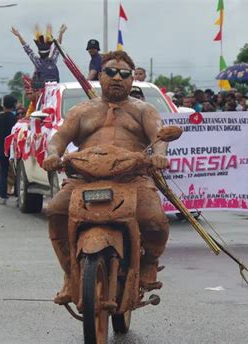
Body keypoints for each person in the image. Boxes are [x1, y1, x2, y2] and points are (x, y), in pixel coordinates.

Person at [43, 50, 170, 304]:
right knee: (57, 210)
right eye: (110, 72)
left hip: (132, 179)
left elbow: (159, 136)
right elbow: (59, 138)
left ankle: (149, 263)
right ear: (99, 76)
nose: (117, 78)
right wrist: (53, 154)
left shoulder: (144, 110)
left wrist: (159, 155)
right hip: (85, 178)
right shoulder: (82, 111)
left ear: (132, 80)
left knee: (155, 221)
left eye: (124, 74)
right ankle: (70, 274)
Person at [11, 24, 67, 89]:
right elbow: (57, 48)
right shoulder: (52, 61)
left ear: (39, 52)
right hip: (55, 90)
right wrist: (61, 33)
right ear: (49, 52)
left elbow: (28, 49)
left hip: (43, 91)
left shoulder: (38, 63)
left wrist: (19, 36)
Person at [0, 95, 17, 205]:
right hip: (12, 147)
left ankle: (3, 196)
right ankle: (18, 196)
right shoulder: (15, 118)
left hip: (1, 146)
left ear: (3, 105)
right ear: (14, 105)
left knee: (3, 171)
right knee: (16, 171)